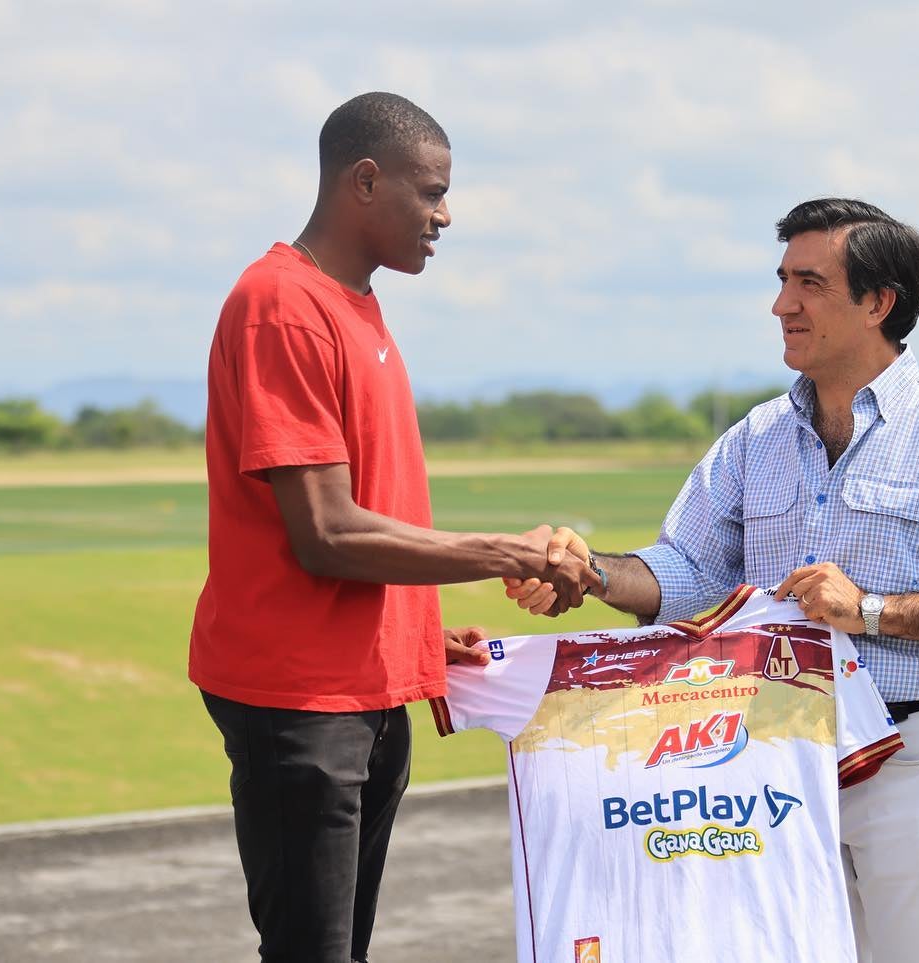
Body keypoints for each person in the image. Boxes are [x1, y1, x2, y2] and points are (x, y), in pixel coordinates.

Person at [507, 197, 919, 962]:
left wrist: (867, 609)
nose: (781, 304)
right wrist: (592, 571)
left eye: (809, 282)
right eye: (782, 279)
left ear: (878, 303)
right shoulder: (755, 439)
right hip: (775, 759)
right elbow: (688, 568)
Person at [189, 92, 595, 963]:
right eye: (432, 191)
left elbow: (360, 515)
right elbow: (324, 534)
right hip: (301, 699)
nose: (445, 216)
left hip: (362, 686)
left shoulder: (352, 305)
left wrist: (417, 630)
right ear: (364, 182)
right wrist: (502, 552)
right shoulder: (282, 306)